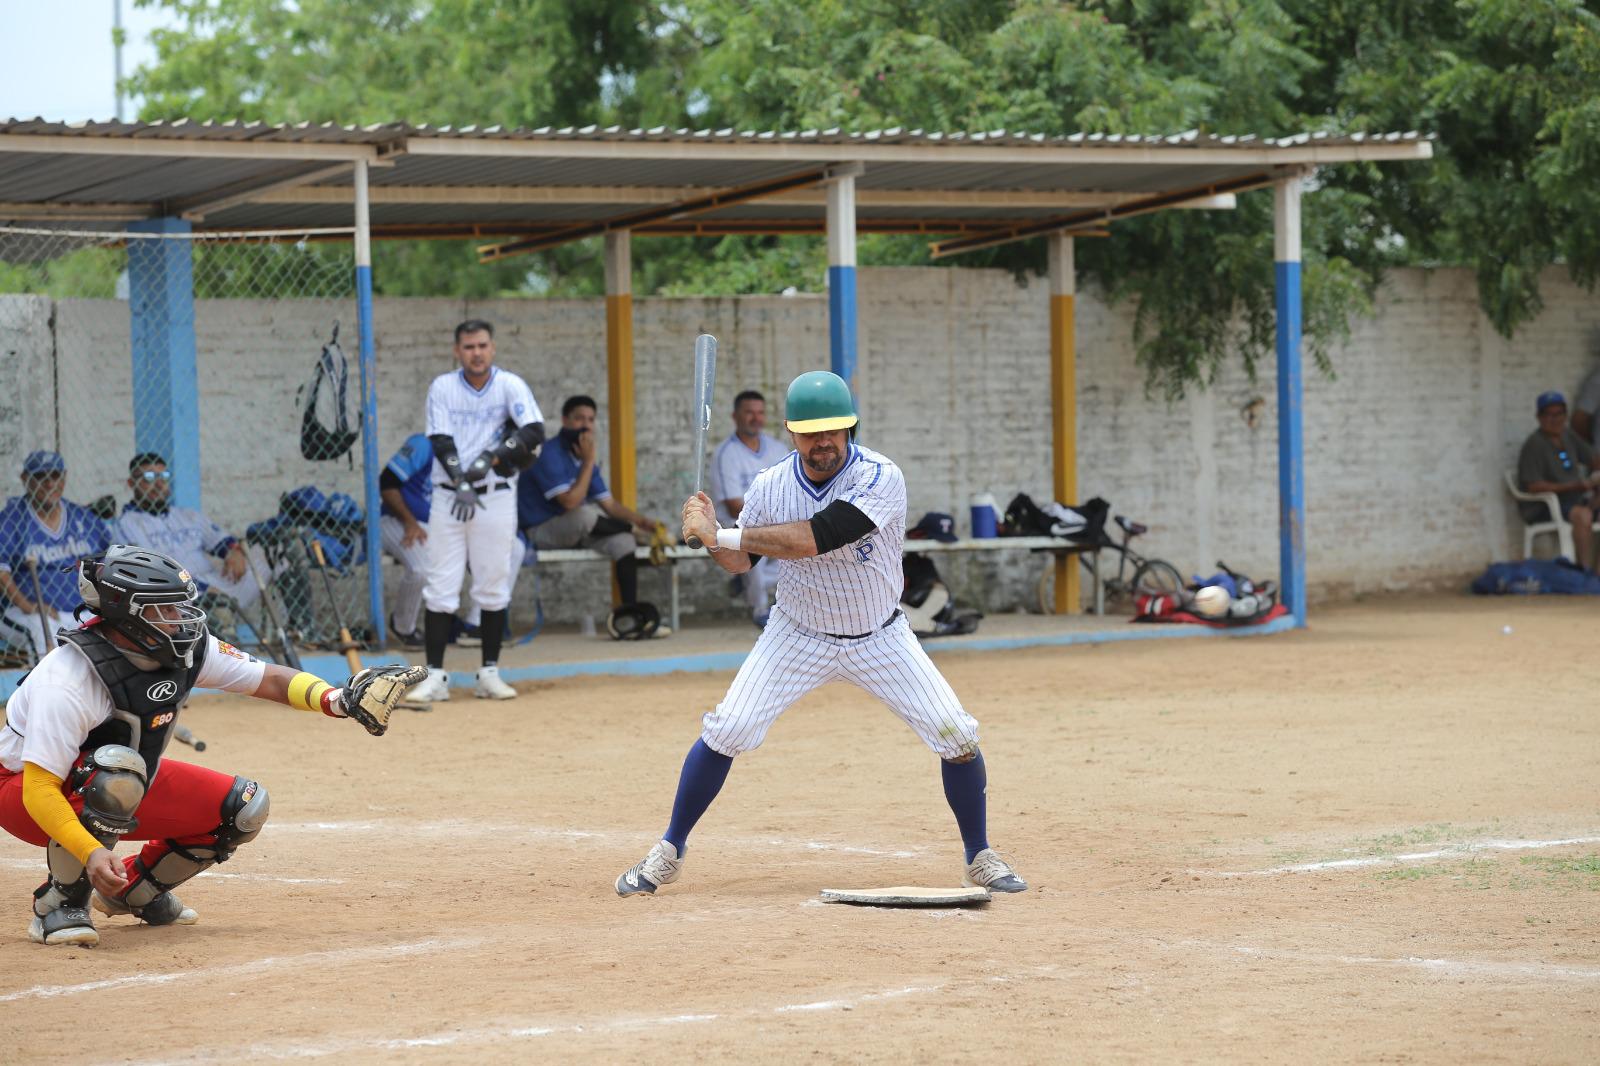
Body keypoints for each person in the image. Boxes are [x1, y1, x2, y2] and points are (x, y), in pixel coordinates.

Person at [615, 371, 1026, 897]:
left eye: (833, 429)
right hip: (797, 633)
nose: (823, 441)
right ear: (791, 432)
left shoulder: (880, 477)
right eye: (810, 432)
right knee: (728, 729)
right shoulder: (770, 485)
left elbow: (819, 537)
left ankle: (980, 855)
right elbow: (741, 562)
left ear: (850, 426)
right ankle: (669, 851)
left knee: (957, 735)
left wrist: (720, 532)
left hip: (879, 636)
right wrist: (709, 531)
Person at [0, 543, 422, 946]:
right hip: (24, 792)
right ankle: (58, 904)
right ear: (127, 616)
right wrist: (90, 852)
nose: (179, 617)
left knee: (243, 807)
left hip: (116, 777)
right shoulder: (70, 678)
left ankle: (133, 890)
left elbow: (269, 678)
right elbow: (39, 790)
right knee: (117, 774)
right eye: (163, 609)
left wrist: (337, 701)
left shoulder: (185, 649)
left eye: (179, 604)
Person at [406, 320, 546, 704]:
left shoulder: (509, 384)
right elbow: (439, 437)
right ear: (457, 351)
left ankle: (489, 673)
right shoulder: (443, 386)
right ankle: (435, 676)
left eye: (483, 345)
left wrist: (490, 458)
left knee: (492, 582)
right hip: (451, 494)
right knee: (440, 584)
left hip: (496, 494)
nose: (477, 352)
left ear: (493, 348)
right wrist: (461, 478)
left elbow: (534, 430)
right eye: (468, 346)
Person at [519, 394, 667, 635]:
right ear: (565, 420)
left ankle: (628, 616)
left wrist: (642, 522)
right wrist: (588, 463)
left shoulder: (581, 455)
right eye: (579, 419)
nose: (586, 425)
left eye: (590, 419)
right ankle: (632, 532)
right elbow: (569, 502)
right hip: (539, 530)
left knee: (623, 541)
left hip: (574, 529)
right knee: (583, 514)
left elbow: (609, 505)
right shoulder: (549, 452)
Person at [378, 433, 523, 650]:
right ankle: (404, 627)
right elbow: (387, 483)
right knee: (421, 568)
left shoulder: (479, 448)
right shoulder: (423, 444)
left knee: (515, 548)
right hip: (398, 520)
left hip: (444, 525)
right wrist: (409, 521)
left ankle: (476, 625)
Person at [114, 452, 270, 613]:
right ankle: (216, 616)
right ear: (132, 483)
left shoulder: (187, 515)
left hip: (214, 583)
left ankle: (294, 625)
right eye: (149, 477)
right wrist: (199, 588)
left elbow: (221, 541)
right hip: (176, 594)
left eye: (164, 476)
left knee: (271, 557)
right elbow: (148, 572)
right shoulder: (128, 523)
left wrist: (233, 551)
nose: (159, 483)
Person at [0, 451, 112, 661]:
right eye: (41, 476)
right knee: (40, 633)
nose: (50, 483)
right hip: (29, 612)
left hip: (81, 608)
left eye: (55, 476)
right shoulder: (12, 519)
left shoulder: (82, 517)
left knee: (112, 632)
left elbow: (108, 560)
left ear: (64, 477)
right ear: (26, 479)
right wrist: (29, 606)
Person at [709, 390, 788, 626]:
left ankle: (745, 582)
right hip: (737, 527)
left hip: (775, 522)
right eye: (749, 413)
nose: (756, 418)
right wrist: (775, 515)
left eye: (760, 413)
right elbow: (735, 507)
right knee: (753, 546)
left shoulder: (777, 449)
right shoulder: (725, 454)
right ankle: (760, 609)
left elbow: (793, 494)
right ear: (735, 416)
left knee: (808, 546)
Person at [1517, 390, 1600, 569]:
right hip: (1544, 506)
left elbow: (1592, 458)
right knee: (1582, 515)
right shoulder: (1534, 445)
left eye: (1559, 414)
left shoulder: (1567, 435)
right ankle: (1583, 569)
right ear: (1539, 417)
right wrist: (1574, 486)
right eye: (1549, 415)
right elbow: (1533, 486)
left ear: (1565, 415)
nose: (1555, 420)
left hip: (1575, 500)